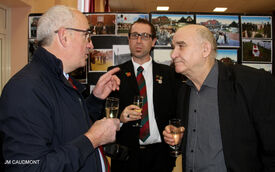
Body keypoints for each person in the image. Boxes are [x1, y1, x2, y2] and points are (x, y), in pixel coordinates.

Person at [0, 5, 121, 172]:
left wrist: (96, 98)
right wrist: (93, 139)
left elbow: (68, 126)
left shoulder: (59, 78)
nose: (91, 45)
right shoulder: (26, 88)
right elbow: (28, 168)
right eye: (87, 35)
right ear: (64, 37)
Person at [163, 24, 275, 171]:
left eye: (181, 46)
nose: (173, 54)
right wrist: (179, 137)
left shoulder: (253, 82)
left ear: (205, 49)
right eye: (173, 47)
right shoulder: (185, 90)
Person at [107, 18, 180, 172]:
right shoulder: (115, 73)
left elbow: (178, 112)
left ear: (153, 41)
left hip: (160, 157)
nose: (139, 41)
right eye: (134, 35)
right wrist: (119, 118)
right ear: (128, 39)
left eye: (145, 36)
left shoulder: (169, 75)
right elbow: (103, 113)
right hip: (125, 157)